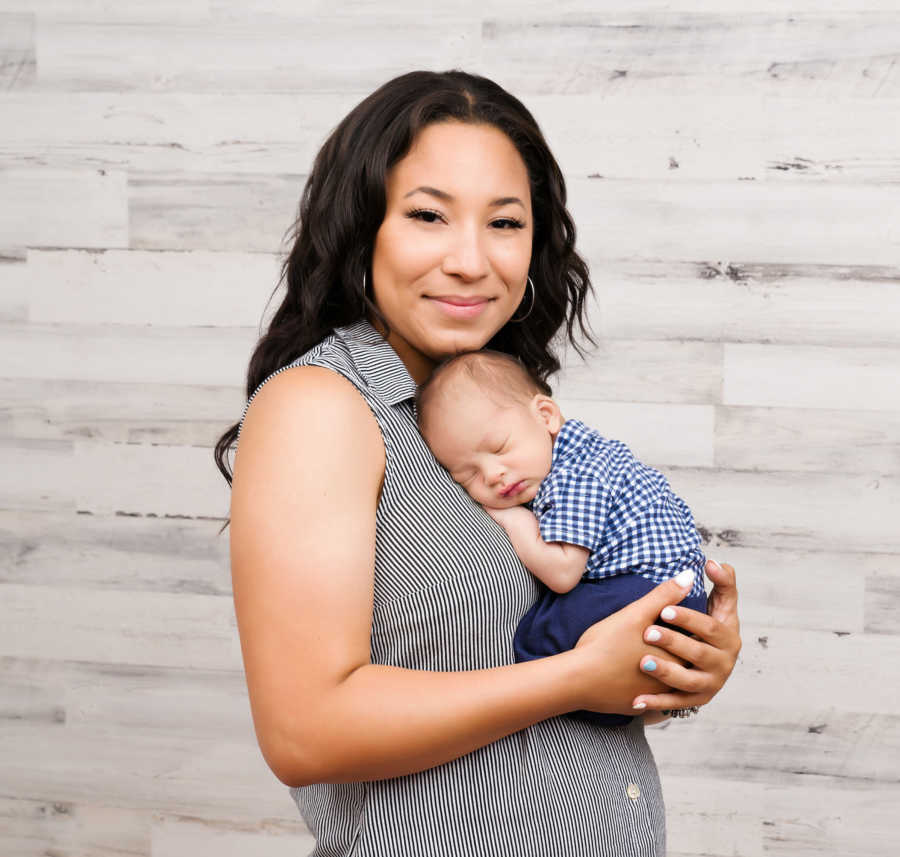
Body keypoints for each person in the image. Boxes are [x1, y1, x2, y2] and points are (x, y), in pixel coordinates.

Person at [215, 69, 741, 857]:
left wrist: (680, 661)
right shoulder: (323, 407)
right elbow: (305, 731)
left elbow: (539, 664)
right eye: (428, 215)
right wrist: (574, 675)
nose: (471, 260)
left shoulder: (496, 415)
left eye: (503, 223)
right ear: (364, 228)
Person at [415, 348, 709, 727]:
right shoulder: (585, 454)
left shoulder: (576, 475)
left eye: (500, 448)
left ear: (546, 415)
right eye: (467, 476)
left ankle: (573, 710)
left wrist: (511, 520)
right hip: (668, 595)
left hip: (645, 591)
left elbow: (563, 572)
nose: (492, 475)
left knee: (537, 639)